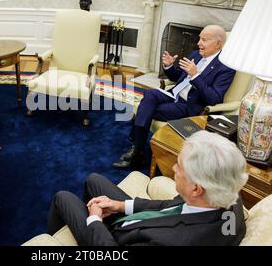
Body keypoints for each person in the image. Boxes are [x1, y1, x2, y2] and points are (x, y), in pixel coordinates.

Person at [48, 131, 248, 246]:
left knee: (62, 197)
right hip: (147, 223)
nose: (173, 168)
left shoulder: (174, 243)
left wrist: (94, 221)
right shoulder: (229, 195)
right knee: (94, 180)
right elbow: (171, 206)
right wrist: (119, 206)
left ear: (196, 189)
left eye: (179, 166)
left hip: (118, 240)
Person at [113, 25, 236, 169]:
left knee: (145, 108)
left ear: (218, 44)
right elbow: (179, 78)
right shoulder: (195, 55)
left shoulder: (226, 67)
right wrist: (169, 67)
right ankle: (138, 150)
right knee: (150, 95)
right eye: (199, 38)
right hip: (173, 94)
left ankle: (136, 150)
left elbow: (214, 97)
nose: (199, 43)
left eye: (204, 40)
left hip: (189, 105)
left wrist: (195, 75)